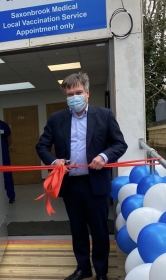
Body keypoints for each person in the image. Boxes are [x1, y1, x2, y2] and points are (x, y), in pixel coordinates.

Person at [36, 72, 127, 280]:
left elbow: (120, 144)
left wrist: (104, 156)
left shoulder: (104, 115)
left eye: (78, 92)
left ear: (87, 93)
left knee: (100, 231)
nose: (74, 97)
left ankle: (101, 272)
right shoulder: (56, 119)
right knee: (77, 230)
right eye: (70, 94)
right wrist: (53, 161)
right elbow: (41, 146)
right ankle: (83, 268)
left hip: (96, 183)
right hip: (70, 184)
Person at [0, 120, 16, 203]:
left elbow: (9, 140)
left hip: (4, 154)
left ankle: (11, 196)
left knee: (7, 175)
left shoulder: (4, 125)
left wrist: (4, 149)